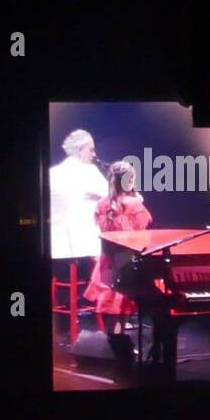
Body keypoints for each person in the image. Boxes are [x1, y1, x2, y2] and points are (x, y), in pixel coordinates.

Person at [83, 162, 154, 336]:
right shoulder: (135, 203)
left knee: (114, 312)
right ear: (130, 181)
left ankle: (114, 349)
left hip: (108, 263)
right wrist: (139, 201)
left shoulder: (102, 204)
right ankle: (118, 350)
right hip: (127, 264)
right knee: (120, 309)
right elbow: (140, 231)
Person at [49, 129, 108, 260]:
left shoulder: (52, 173)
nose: (94, 154)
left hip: (57, 247)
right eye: (91, 150)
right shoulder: (89, 171)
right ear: (80, 150)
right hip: (84, 247)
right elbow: (109, 196)